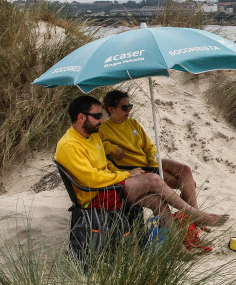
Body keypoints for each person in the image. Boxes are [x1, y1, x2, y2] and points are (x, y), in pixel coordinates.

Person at [54, 95, 227, 228]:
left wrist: (122, 172)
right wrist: (126, 174)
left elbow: (107, 165)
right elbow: (91, 180)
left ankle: (173, 244)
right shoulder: (70, 145)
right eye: (98, 116)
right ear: (81, 117)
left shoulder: (91, 137)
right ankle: (195, 215)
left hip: (109, 186)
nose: (101, 119)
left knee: (158, 201)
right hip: (94, 196)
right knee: (153, 180)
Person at [99, 89, 199, 209]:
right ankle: (194, 218)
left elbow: (149, 146)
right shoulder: (103, 129)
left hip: (150, 162)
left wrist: (153, 161)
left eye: (130, 106)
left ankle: (191, 218)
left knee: (185, 170)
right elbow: (96, 148)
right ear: (111, 109)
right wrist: (113, 148)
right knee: (189, 184)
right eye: (125, 107)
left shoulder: (133, 123)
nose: (129, 111)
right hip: (138, 168)